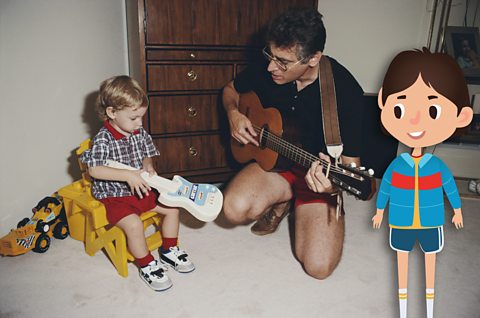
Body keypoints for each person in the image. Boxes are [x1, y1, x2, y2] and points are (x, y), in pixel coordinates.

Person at [222, 8, 365, 279]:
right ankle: (284, 198)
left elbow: (350, 167)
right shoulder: (270, 68)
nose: (270, 67)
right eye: (270, 55)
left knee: (318, 267)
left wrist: (333, 185)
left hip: (317, 177)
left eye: (283, 62)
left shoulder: (345, 91)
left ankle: (294, 201)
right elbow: (230, 90)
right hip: (277, 165)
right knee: (233, 208)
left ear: (313, 58)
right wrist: (234, 114)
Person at [372, 48, 473, 318]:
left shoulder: (437, 167)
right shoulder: (396, 166)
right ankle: (402, 309)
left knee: (430, 266)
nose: (414, 121)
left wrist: (458, 210)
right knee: (401, 265)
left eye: (431, 109)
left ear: (461, 117)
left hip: (431, 223)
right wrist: (380, 210)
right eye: (400, 107)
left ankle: (429, 309)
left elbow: (450, 186)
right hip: (401, 222)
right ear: (384, 102)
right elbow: (386, 188)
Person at [81, 75, 195, 291]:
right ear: (112, 113)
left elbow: (147, 153)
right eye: (134, 118)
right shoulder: (103, 139)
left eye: (141, 117)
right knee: (133, 225)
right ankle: (146, 264)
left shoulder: (138, 132)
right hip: (115, 197)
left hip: (141, 190)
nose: (140, 123)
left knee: (172, 209)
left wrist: (148, 164)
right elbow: (94, 169)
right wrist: (127, 175)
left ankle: (169, 250)